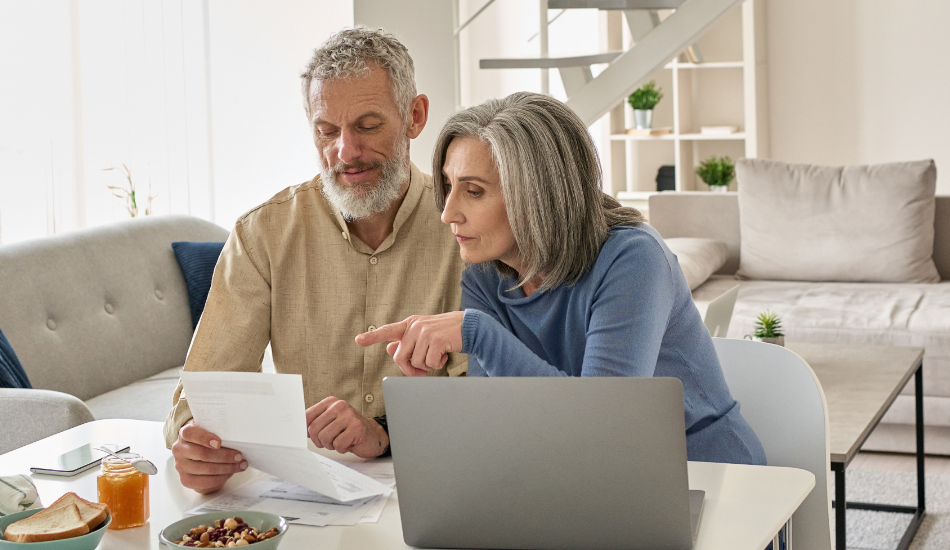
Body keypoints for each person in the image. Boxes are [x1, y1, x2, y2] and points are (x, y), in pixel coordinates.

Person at [357, 92, 765, 465]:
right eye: (448, 186)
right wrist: (391, 430)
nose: (448, 213)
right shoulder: (484, 277)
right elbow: (502, 421)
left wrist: (479, 335)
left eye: (474, 191)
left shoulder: (632, 259)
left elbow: (599, 428)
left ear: (537, 194)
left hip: (707, 477)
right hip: (590, 483)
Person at [165, 26, 467, 494]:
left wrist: (384, 433)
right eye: (327, 131)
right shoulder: (262, 234)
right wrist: (196, 448)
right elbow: (198, 399)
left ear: (415, 116)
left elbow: (488, 401)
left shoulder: (466, 229)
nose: (345, 152)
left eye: (367, 126)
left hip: (439, 480)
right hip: (305, 497)